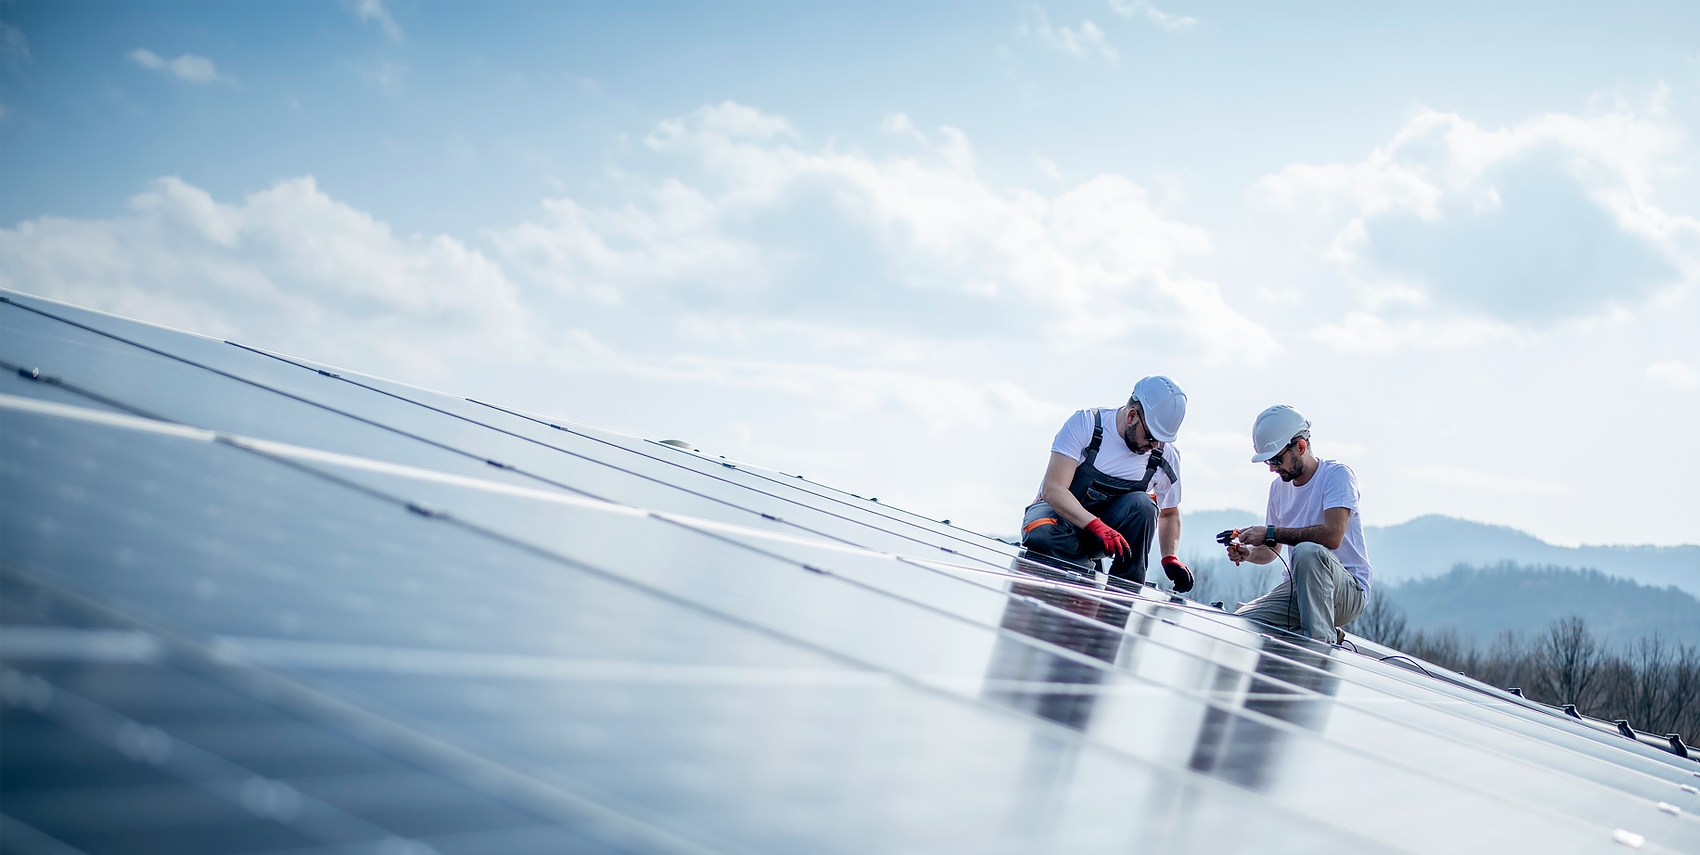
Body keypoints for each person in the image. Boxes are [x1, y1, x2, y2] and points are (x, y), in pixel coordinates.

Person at [1020, 376, 1194, 591]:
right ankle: (1081, 575)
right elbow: (1053, 488)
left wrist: (1170, 557)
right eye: (1150, 437)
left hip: (1103, 539)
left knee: (1144, 505)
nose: (1155, 445)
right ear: (1131, 416)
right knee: (1041, 533)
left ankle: (1125, 589)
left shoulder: (1164, 455)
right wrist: (1096, 525)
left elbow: (1169, 513)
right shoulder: (1087, 425)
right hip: (1058, 523)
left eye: (1162, 439)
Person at [1225, 405, 1372, 644]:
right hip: (1298, 588)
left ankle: (1320, 645)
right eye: (1267, 462)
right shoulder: (1277, 489)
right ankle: (1318, 631)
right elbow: (1272, 551)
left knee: (1307, 551)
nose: (1272, 468)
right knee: (1243, 622)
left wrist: (1270, 532)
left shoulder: (1337, 475)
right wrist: (1249, 552)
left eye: (1276, 459)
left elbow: (1333, 536)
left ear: (1300, 447)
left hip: (1346, 591)